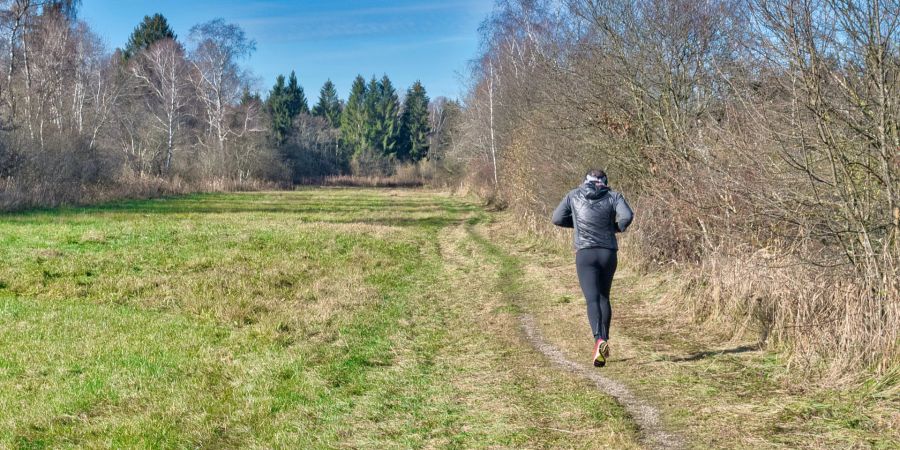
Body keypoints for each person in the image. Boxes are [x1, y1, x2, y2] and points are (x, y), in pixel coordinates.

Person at [551, 169, 633, 367]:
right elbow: (627, 216)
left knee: (592, 299)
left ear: (585, 180)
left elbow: (557, 218)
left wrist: (579, 225)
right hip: (608, 253)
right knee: (604, 297)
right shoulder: (614, 196)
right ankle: (604, 339)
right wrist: (613, 228)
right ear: (605, 181)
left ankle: (598, 339)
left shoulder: (573, 195)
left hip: (585, 254)